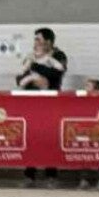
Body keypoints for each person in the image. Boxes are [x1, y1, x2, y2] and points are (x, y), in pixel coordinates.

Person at [19, 29, 67, 186]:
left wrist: (34, 65)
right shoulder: (30, 55)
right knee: (31, 137)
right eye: (35, 39)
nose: (35, 42)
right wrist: (31, 79)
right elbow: (20, 76)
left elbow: (56, 74)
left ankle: (51, 176)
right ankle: (29, 175)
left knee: (50, 138)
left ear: (48, 42)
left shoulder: (59, 56)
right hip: (32, 101)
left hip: (51, 102)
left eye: (38, 39)